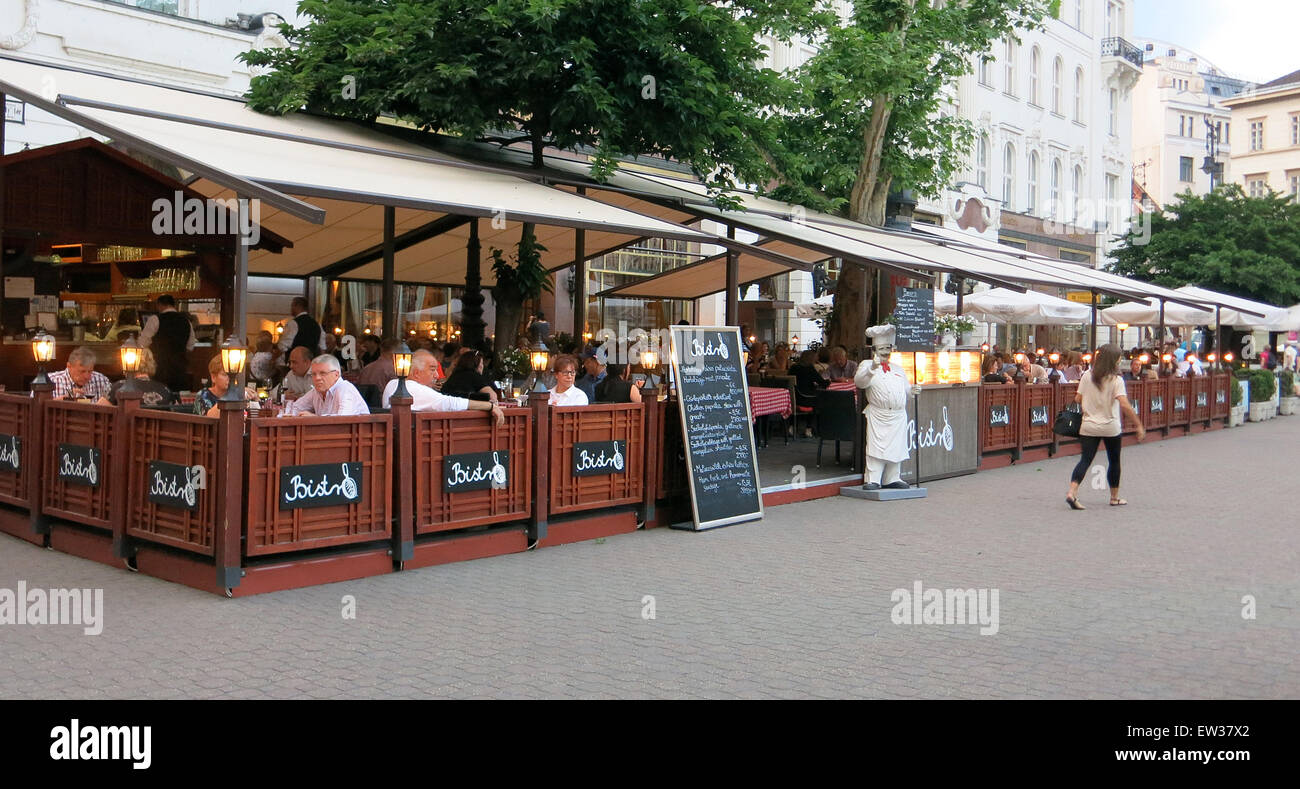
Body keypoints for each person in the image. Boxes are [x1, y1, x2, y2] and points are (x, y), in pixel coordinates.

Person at [1065, 343, 1144, 510]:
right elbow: (1124, 404)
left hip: (1088, 425)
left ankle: (1072, 492)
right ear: (1113, 360)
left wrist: (1091, 399)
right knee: (1114, 461)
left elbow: (1078, 399)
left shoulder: (1087, 375)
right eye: (1119, 358)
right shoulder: (1116, 380)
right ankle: (1114, 497)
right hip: (1110, 425)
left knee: (1085, 460)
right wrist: (1138, 425)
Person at [854, 326, 911, 490]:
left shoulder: (898, 369)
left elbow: (905, 388)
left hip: (898, 415)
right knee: (875, 448)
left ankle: (893, 477)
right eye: (882, 348)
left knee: (897, 448)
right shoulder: (866, 364)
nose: (886, 352)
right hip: (879, 414)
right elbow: (860, 382)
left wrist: (912, 391)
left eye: (888, 348)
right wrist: (872, 369)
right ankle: (873, 479)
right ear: (874, 349)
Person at [382, 350, 504, 424]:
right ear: (416, 374)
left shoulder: (393, 383)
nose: (436, 375)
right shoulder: (410, 387)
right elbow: (448, 403)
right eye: (432, 370)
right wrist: (489, 406)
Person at [139, 294, 196, 392]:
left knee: (159, 396)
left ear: (160, 305)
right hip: (179, 369)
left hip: (159, 368)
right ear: (174, 305)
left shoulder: (155, 319)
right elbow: (190, 346)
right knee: (177, 398)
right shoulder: (186, 321)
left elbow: (142, 343)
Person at [282, 355, 371, 417]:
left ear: (336, 375)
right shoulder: (316, 392)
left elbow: (343, 420)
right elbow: (295, 408)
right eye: (313, 374)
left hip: (356, 441)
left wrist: (316, 419)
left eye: (323, 373)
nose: (317, 378)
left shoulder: (346, 389)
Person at [100, 349, 176, 407]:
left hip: (126, 427)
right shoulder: (165, 390)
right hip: (157, 427)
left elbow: (98, 409)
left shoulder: (119, 387)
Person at [194, 355, 259, 417]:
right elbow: (209, 418)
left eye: (234, 375)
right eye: (225, 374)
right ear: (213, 377)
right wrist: (233, 393)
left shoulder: (239, 393)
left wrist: (255, 399)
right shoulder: (203, 395)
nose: (230, 378)